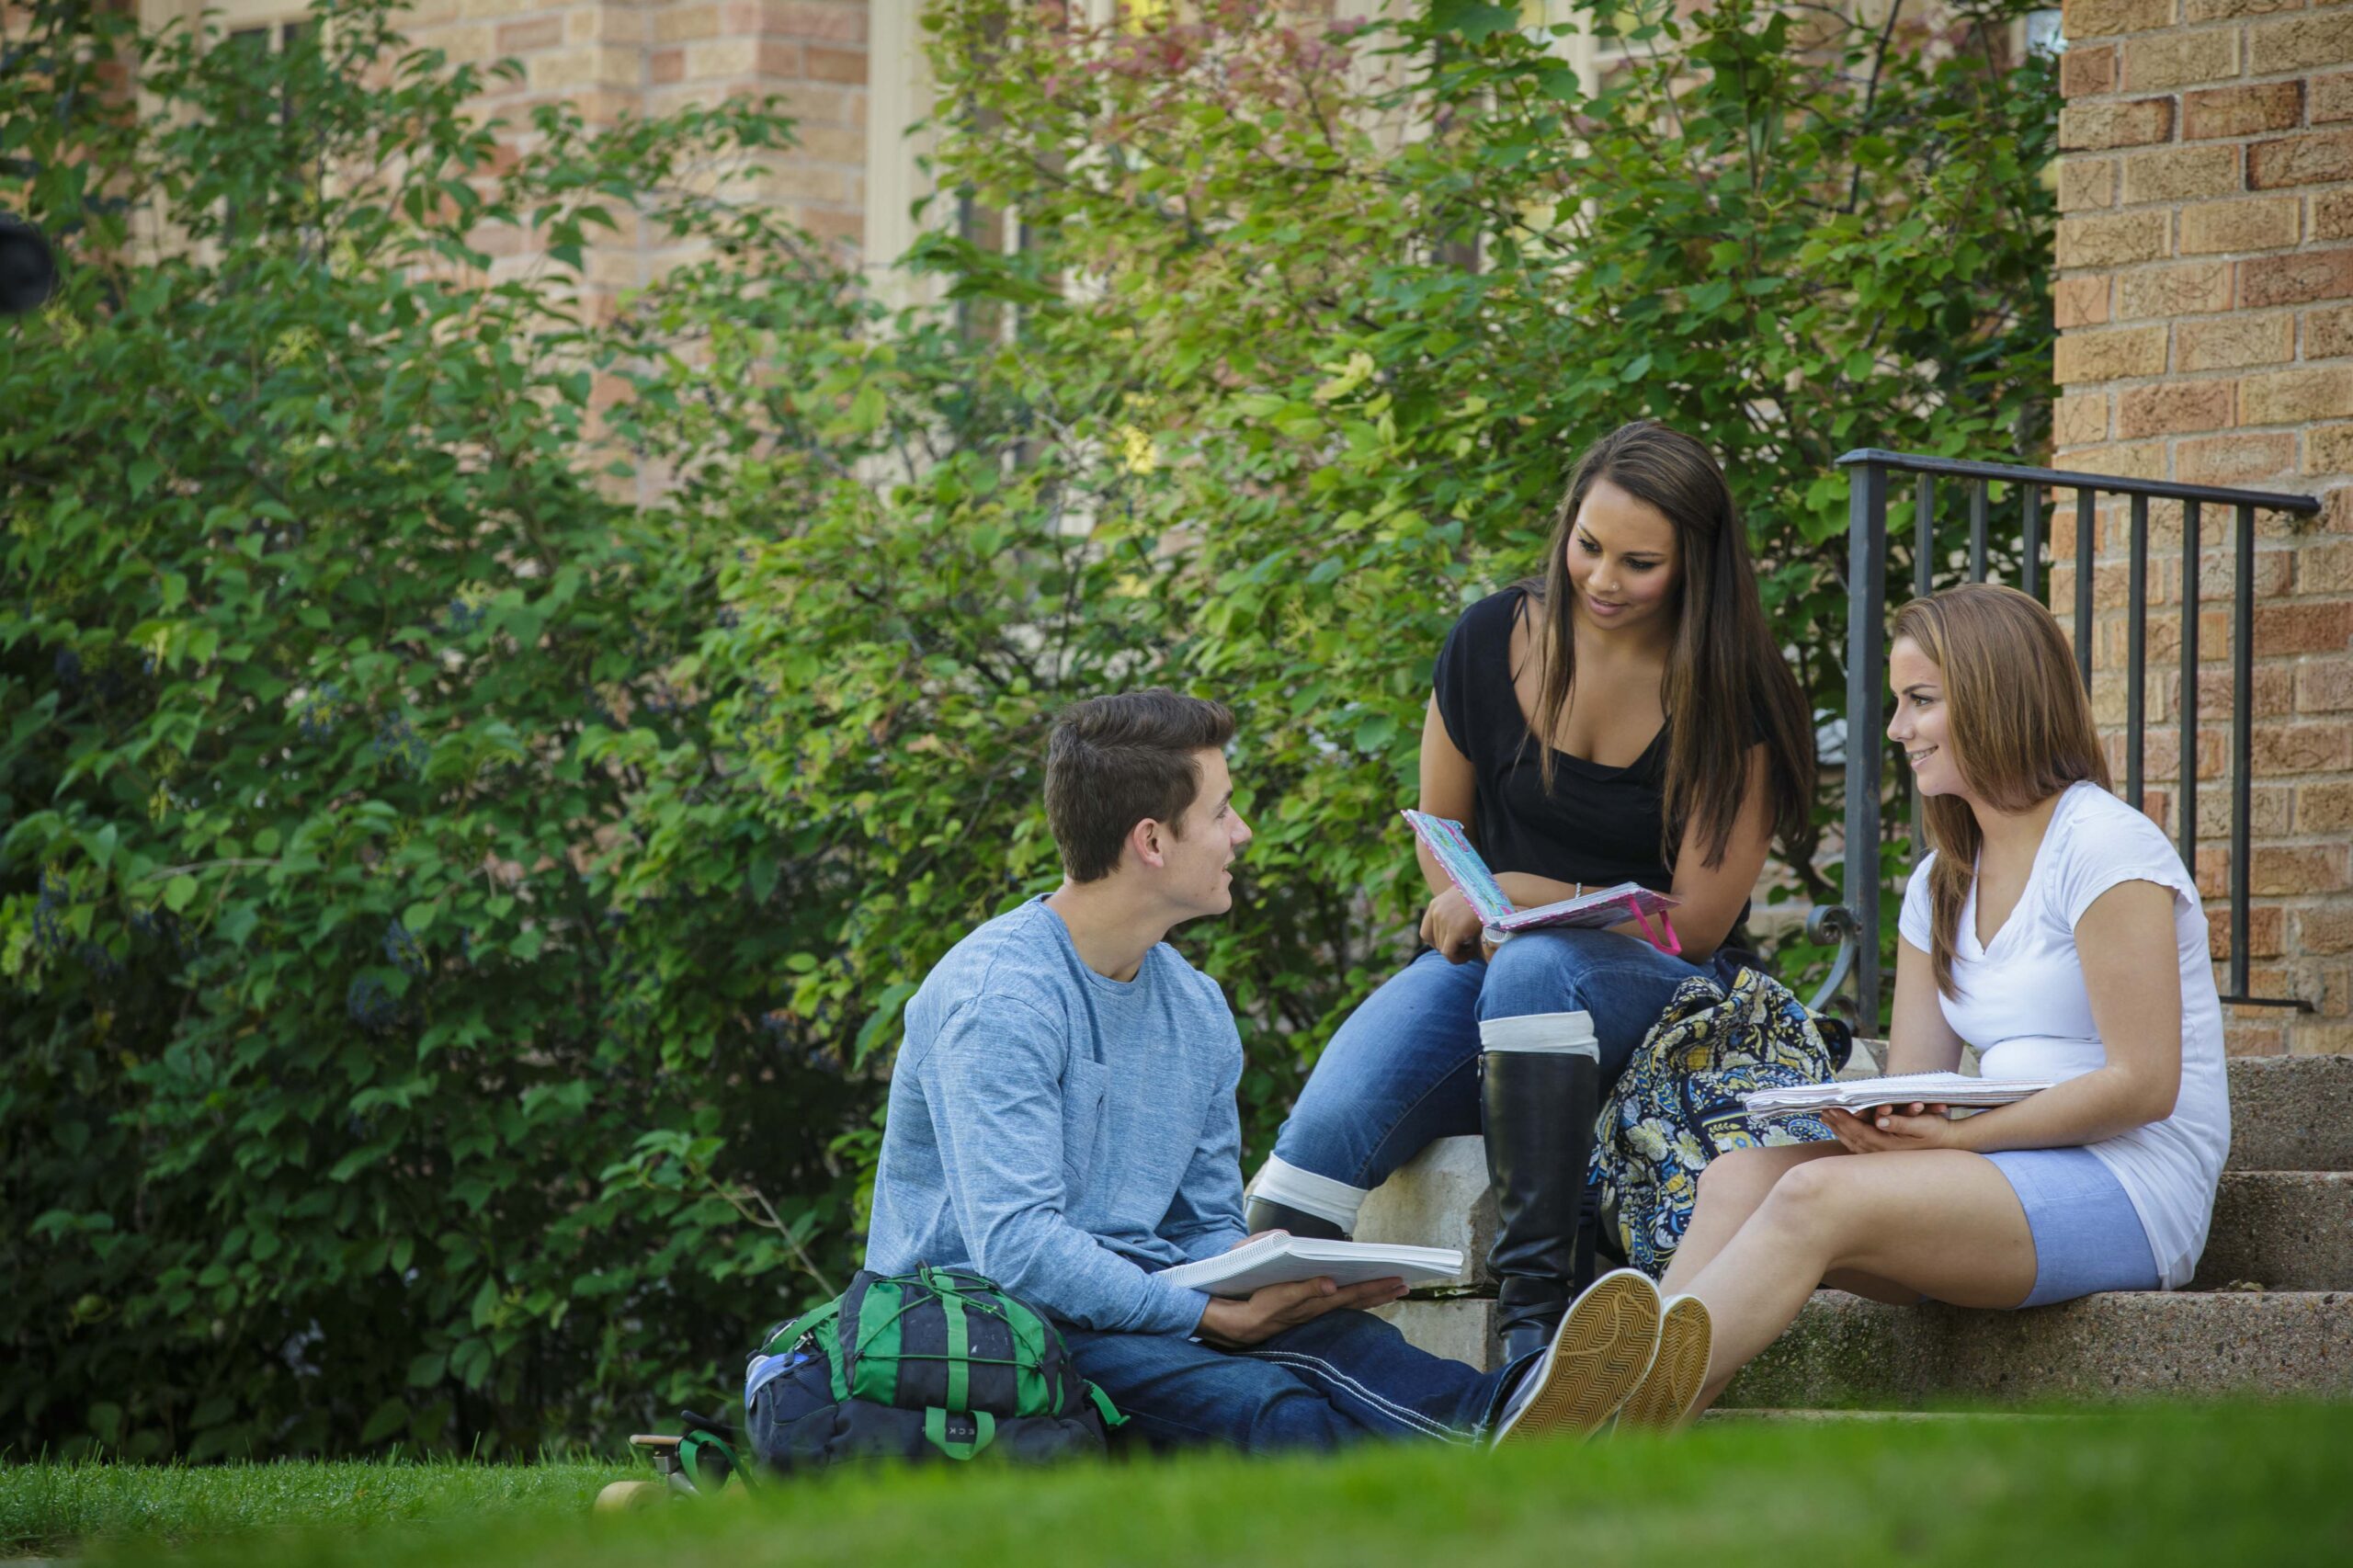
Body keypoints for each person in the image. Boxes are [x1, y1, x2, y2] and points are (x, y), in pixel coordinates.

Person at [862, 688, 1668, 1453]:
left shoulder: (1195, 1007)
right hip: (992, 1325)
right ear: (1151, 841)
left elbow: (1203, 1223)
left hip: (1135, 1301)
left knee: (1326, 1336)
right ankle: (1521, 1439)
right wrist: (1205, 1314)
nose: (1241, 832)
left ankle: (1515, 1414)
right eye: (1219, 811)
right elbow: (1019, 1247)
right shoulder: (1001, 999)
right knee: (1277, 1415)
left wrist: (1275, 1284)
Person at [1569, 581, 2225, 1423]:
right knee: (1736, 1178)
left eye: (1921, 701)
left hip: (2128, 1185)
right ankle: (1628, 1413)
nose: (1896, 729)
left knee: (1814, 1199)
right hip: (1996, 1170)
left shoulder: (2106, 846)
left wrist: (1960, 1139)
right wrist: (1878, 1122)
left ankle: (1620, 1424)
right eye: (1897, 702)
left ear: (1996, 699)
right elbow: (1916, 1079)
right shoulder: (1941, 884)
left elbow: (2143, 1085)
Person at [1247, 422, 1815, 1369]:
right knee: (1321, 1138)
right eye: (1587, 546)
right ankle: (1268, 1368)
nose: (1601, 579)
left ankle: (1530, 1329)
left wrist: (1524, 894)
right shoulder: (1485, 639)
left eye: (1639, 563)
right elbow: (1443, 833)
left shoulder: (1734, 690)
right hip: (1493, 963)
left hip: (1656, 988)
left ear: (1694, 568)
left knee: (1544, 966)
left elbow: (1699, 921)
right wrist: (1475, 901)